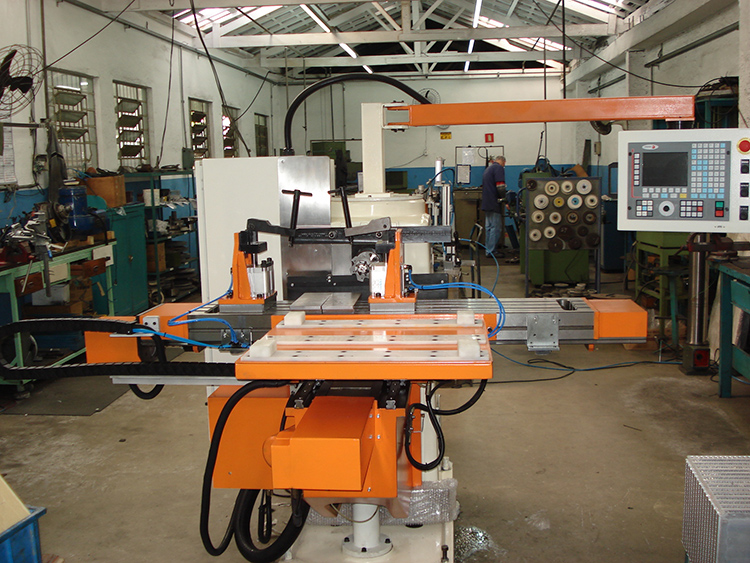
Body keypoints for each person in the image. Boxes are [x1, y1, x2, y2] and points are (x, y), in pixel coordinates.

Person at [481, 155, 507, 257]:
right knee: (496, 228)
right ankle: (491, 251)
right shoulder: (499, 168)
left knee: (489, 227)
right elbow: (500, 186)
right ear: (503, 162)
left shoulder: (489, 169)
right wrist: (505, 200)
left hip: (487, 202)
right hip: (493, 202)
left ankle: (488, 250)